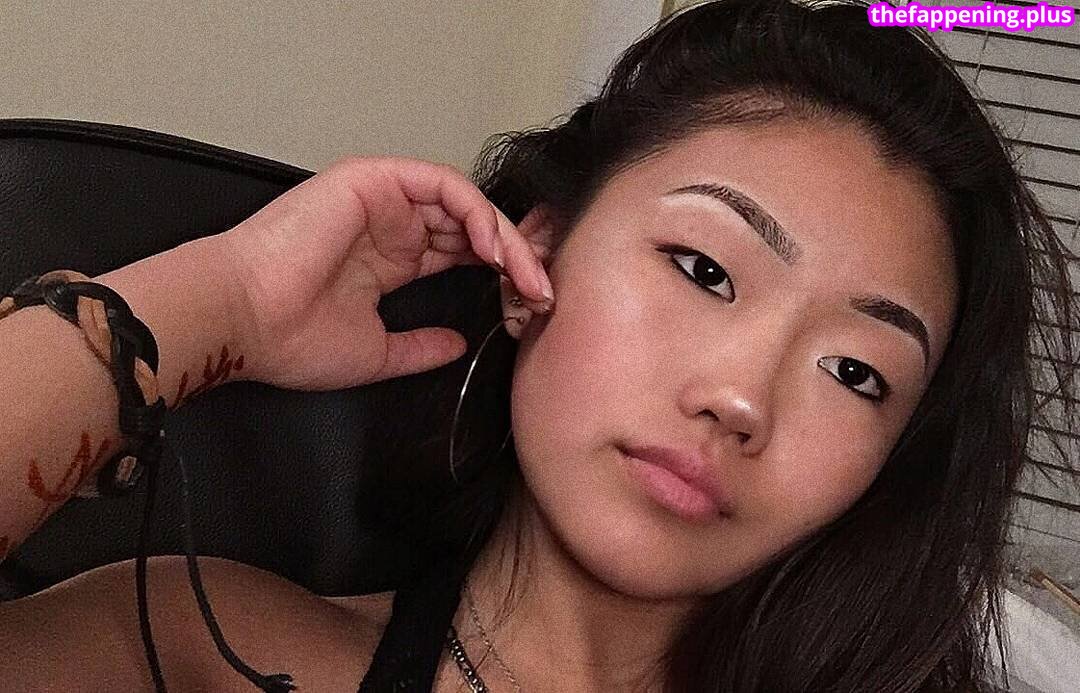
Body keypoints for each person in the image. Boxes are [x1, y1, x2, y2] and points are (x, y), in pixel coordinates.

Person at [0, 0, 1076, 690]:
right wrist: (222, 301)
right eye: (704, 269)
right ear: (537, 257)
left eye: (856, 372)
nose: (744, 397)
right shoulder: (208, 646)